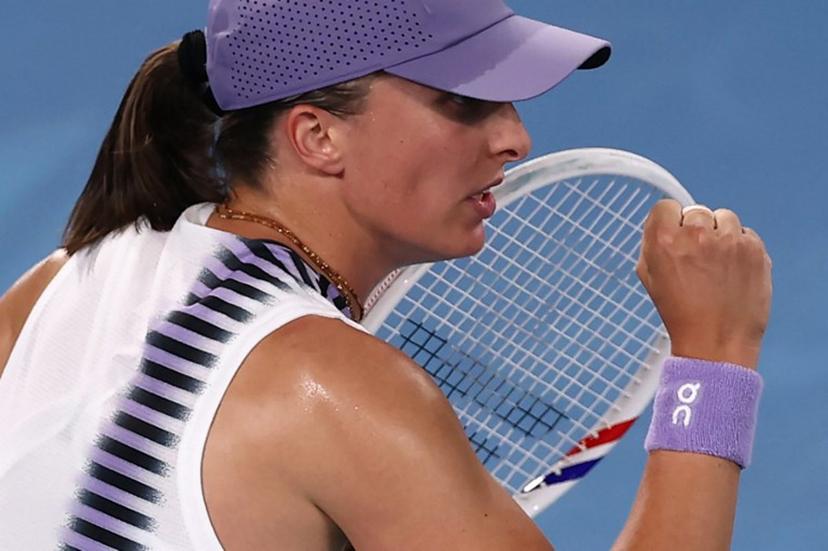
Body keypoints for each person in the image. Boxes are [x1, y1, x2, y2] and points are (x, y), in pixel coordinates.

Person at [0, 1, 771, 550]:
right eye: (461, 103)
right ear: (317, 136)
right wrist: (715, 352)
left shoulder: (61, 283)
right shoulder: (344, 392)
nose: (515, 136)